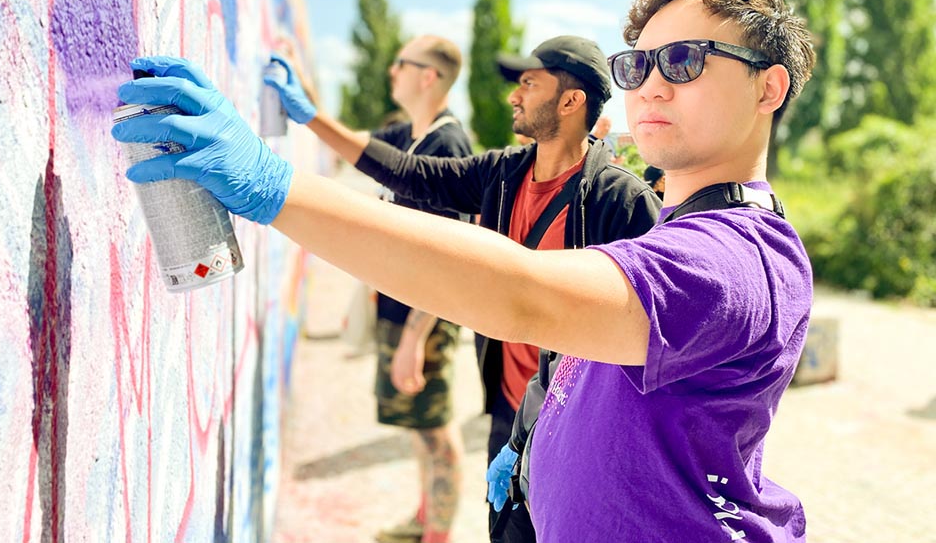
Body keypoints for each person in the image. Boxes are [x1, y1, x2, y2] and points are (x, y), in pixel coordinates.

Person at [112, 0, 817, 541]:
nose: (654, 85)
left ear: (768, 89)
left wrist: (277, 187)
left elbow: (524, 296)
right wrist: (532, 436)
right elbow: (426, 185)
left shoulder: (736, 258)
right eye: (640, 65)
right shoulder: (664, 218)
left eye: (687, 61)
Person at [266, 34, 661, 542]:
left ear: (570, 100)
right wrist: (312, 118)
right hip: (509, 417)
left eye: (528, 84)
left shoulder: (619, 201)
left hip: (578, 428)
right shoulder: (502, 174)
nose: (514, 96)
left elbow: (650, 336)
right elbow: (409, 173)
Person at [288, 34, 475, 543]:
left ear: (427, 76)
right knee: (417, 427)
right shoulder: (405, 134)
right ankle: (423, 520)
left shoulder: (447, 144)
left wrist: (416, 336)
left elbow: (450, 256)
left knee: (435, 430)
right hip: (398, 305)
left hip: (428, 314)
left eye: (401, 64)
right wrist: (306, 95)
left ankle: (438, 534)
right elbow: (350, 142)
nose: (391, 71)